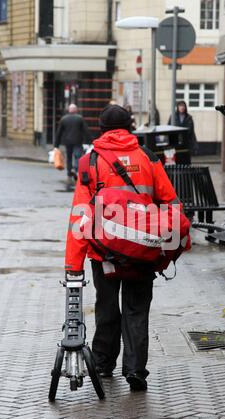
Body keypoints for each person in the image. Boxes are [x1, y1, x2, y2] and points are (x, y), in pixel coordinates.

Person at [65, 105, 180, 392]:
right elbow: (170, 203)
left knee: (106, 305)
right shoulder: (148, 158)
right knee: (137, 308)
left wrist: (73, 264)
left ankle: (104, 362)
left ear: (101, 128)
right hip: (141, 249)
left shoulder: (90, 161)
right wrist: (168, 250)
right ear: (129, 127)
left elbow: (80, 215)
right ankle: (136, 369)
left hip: (103, 250)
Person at [54, 104, 92, 184]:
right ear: (76, 110)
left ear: (69, 110)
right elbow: (86, 131)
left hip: (67, 142)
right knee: (77, 156)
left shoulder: (64, 119)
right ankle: (75, 169)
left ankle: (69, 173)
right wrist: (90, 142)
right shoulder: (80, 118)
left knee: (69, 157)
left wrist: (56, 145)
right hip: (78, 141)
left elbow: (59, 133)